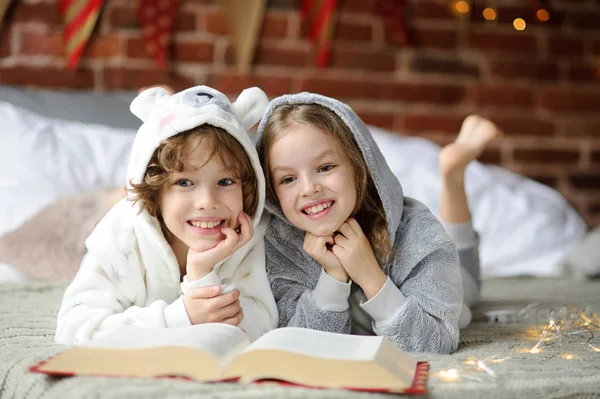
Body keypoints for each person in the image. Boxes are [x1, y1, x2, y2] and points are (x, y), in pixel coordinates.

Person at [256, 92, 500, 353]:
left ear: (358, 164)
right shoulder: (280, 244)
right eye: (287, 179)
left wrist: (371, 277)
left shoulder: (417, 231)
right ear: (271, 190)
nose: (308, 189)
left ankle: (452, 174)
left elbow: (435, 343)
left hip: (454, 278)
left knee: (468, 281)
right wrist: (333, 279)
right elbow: (300, 346)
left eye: (325, 167)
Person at [55, 85, 278, 344]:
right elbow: (75, 330)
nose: (207, 202)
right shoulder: (122, 234)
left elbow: (261, 327)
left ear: (248, 187)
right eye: (184, 183)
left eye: (225, 182)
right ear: (155, 192)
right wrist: (181, 317)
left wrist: (202, 276)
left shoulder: (253, 237)